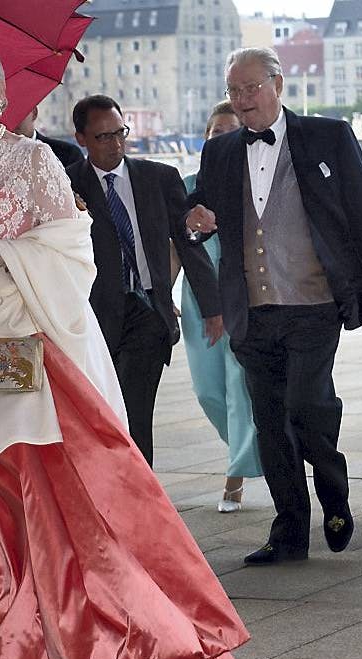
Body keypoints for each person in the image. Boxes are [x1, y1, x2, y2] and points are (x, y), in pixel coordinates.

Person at [0, 39, 247, 659]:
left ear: (4, 93)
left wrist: (1, 251)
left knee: (72, 503)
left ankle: (112, 634)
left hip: (45, 354)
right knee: (4, 504)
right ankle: (20, 635)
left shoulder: (37, 162)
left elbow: (75, 252)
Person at [186, 47, 362, 565]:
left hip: (314, 302)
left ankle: (334, 492)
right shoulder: (220, 151)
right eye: (234, 91)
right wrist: (196, 222)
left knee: (306, 406)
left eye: (251, 88)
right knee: (270, 424)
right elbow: (200, 222)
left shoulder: (327, 135)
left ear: (278, 85)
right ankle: (289, 531)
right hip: (251, 311)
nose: (241, 100)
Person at [65, 94, 222, 466]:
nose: (116, 144)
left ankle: (142, 505)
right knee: (99, 417)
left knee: (135, 415)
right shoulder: (65, 185)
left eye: (120, 133)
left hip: (148, 310)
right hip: (92, 319)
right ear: (81, 139)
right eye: (103, 137)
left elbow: (188, 242)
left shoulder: (158, 177)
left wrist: (212, 307)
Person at [180, 101, 264, 513]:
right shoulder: (188, 185)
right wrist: (161, 293)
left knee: (238, 387)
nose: (224, 138)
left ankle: (234, 477)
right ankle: (255, 448)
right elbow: (173, 246)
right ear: (207, 138)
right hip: (198, 298)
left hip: (242, 299)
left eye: (232, 131)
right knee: (208, 391)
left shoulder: (252, 185)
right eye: (217, 132)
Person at [13, 104, 84, 168]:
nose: (12, 120)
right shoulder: (2, 156)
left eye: (17, 112)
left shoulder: (68, 153)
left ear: (34, 113)